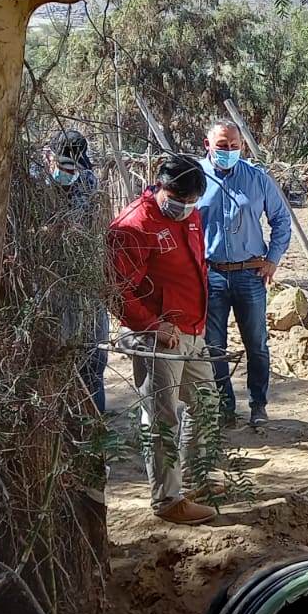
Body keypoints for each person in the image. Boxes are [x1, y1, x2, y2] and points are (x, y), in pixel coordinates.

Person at [107, 154, 219, 525]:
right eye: (179, 200)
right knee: (162, 417)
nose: (186, 208)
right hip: (159, 338)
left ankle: (192, 479)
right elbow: (115, 288)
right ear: (160, 187)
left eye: (192, 202)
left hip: (192, 330)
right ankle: (168, 499)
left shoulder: (190, 217)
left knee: (205, 405)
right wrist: (152, 325)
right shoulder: (133, 227)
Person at [196, 120, 294, 429]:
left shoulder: (258, 179)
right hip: (210, 275)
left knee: (257, 343)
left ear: (242, 146)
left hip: (250, 275)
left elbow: (281, 220)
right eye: (222, 146)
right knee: (214, 347)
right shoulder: (194, 179)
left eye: (234, 146)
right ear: (207, 145)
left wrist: (272, 259)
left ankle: (258, 404)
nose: (228, 151)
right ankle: (225, 408)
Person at [46, 129, 110, 414]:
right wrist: (50, 232)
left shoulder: (88, 183)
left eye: (74, 166)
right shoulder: (36, 188)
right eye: (63, 166)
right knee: (57, 360)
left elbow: (97, 229)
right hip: (51, 285)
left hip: (86, 284)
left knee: (93, 359)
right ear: (50, 159)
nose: (69, 172)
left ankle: (95, 428)